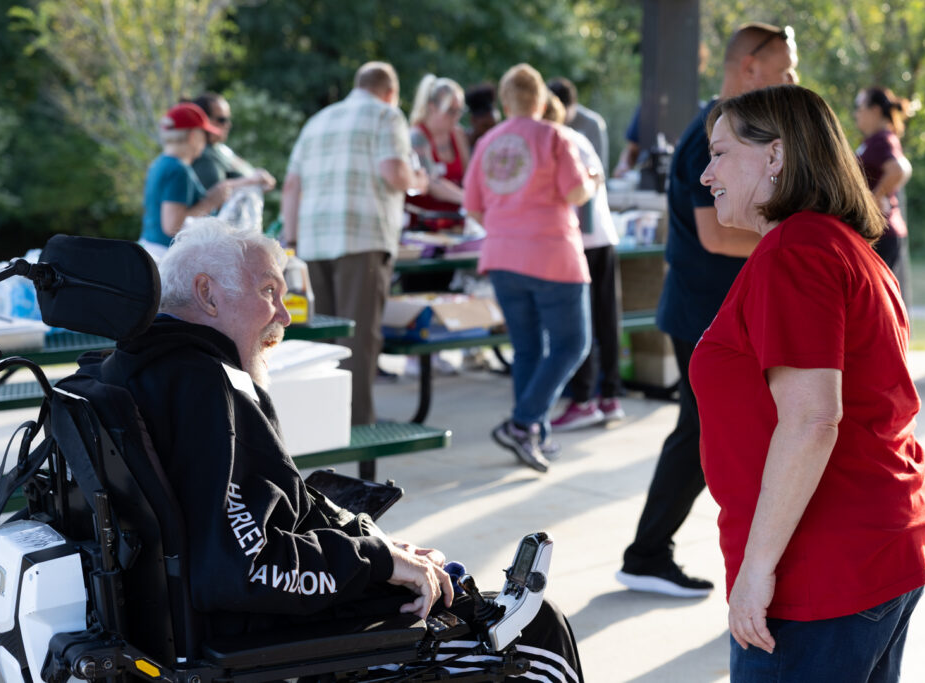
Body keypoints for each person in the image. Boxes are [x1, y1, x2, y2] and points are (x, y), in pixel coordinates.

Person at [106, 218, 583, 680]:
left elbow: (245, 522)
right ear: (208, 294)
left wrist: (371, 541)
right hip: (265, 638)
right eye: (268, 292)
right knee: (537, 633)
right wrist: (377, 561)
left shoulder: (124, 368)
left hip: (203, 615)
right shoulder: (208, 390)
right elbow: (245, 567)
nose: (285, 315)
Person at [692, 84, 925, 681]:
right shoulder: (838, 244)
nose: (705, 174)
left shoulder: (796, 251)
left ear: (775, 156)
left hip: (823, 571)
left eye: (721, 153)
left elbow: (811, 420)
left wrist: (757, 569)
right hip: (873, 549)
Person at [617, 22, 799, 597]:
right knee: (703, 437)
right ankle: (647, 553)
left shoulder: (732, 126)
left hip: (712, 310)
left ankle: (649, 552)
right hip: (704, 312)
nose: (793, 79)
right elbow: (717, 237)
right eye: (785, 68)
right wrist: (794, 238)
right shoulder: (712, 135)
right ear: (750, 66)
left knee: (703, 436)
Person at [463, 63, 594, 473]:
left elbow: (471, 204)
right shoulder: (553, 136)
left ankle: (533, 433)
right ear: (540, 100)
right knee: (572, 344)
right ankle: (523, 424)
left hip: (502, 255)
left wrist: (503, 229)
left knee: (527, 349)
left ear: (504, 102)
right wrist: (593, 179)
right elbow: (575, 190)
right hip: (552, 253)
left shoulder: (487, 141)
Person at [280, 61, 428, 426]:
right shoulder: (387, 116)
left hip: (313, 240)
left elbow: (291, 186)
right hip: (362, 237)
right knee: (358, 338)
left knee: (316, 339)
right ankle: (355, 424)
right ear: (390, 92)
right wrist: (419, 180)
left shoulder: (317, 121)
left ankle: (314, 423)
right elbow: (394, 172)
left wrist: (292, 241)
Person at [542, 91, 625, 431]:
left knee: (584, 322)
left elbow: (585, 188)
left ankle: (584, 400)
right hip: (600, 237)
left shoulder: (558, 141)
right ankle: (609, 396)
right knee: (606, 320)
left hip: (582, 240)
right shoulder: (575, 138)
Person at [139, 103, 231, 260]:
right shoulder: (178, 170)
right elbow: (172, 226)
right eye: (204, 136)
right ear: (194, 136)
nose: (205, 143)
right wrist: (211, 201)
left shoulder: (159, 163)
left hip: (148, 249)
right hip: (165, 257)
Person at [854, 86, 914, 309]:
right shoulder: (874, 140)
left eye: (859, 108)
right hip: (879, 231)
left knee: (875, 302)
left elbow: (898, 169)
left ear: (875, 110)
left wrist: (874, 197)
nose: (856, 114)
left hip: (882, 232)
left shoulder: (881, 139)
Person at [405, 74, 470, 232]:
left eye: (459, 111)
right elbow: (431, 182)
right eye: (450, 111)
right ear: (431, 106)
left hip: (455, 227)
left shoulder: (458, 134)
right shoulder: (416, 136)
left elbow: (468, 176)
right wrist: (468, 199)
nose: (455, 117)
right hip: (423, 229)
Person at [190, 91, 277, 195]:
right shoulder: (203, 155)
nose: (228, 124)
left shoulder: (220, 148)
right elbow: (211, 196)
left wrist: (258, 176)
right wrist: (253, 181)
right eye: (222, 120)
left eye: (228, 119)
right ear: (204, 120)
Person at [547, 77, 609, 170]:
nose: (559, 118)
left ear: (573, 104)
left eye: (563, 112)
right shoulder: (545, 122)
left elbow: (599, 166)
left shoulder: (593, 124)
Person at [464, 82, 501, 150]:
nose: (491, 131)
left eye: (494, 127)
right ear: (473, 120)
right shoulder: (459, 143)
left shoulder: (496, 146)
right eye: (486, 126)